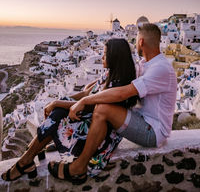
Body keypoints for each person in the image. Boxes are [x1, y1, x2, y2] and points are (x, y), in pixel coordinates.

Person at [48, 23, 177, 183]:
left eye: (136, 40)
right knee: (102, 105)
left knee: (103, 109)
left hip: (154, 132)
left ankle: (79, 166)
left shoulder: (161, 68)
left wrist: (85, 100)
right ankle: (69, 143)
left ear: (141, 42)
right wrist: (95, 85)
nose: (135, 44)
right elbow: (122, 76)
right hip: (143, 120)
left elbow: (124, 92)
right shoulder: (146, 65)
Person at [1, 38, 138, 183]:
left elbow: (90, 105)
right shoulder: (109, 74)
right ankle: (27, 158)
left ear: (115, 56)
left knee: (58, 113)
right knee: (59, 110)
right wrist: (62, 100)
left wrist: (57, 103)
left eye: (104, 54)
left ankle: (26, 160)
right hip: (89, 126)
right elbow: (86, 95)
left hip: (98, 141)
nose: (102, 57)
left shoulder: (119, 85)